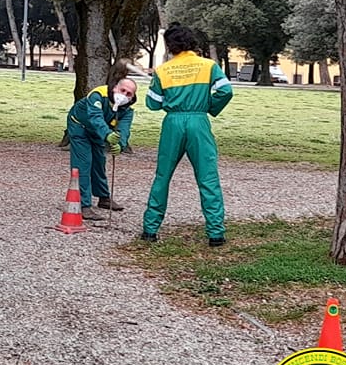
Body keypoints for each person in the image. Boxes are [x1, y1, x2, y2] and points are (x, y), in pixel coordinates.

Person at [140, 24, 233, 246]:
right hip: (199, 121)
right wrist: (209, 106)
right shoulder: (209, 66)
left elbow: (152, 103)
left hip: (173, 122)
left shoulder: (163, 70)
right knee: (208, 177)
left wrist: (170, 101)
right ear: (192, 43)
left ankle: (150, 230)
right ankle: (216, 234)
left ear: (170, 46)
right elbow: (226, 91)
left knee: (163, 176)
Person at [65, 77, 137, 220]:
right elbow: (95, 117)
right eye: (123, 90)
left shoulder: (127, 110)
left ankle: (104, 198)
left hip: (98, 132)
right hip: (80, 126)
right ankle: (83, 205)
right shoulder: (98, 95)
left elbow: (123, 129)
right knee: (83, 163)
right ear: (115, 87)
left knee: (99, 162)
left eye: (129, 94)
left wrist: (119, 144)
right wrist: (108, 134)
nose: (124, 95)